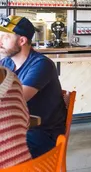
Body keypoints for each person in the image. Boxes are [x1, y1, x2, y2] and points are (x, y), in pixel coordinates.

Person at [0, 16, 66, 158]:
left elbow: (16, 100)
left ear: (22, 40)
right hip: (16, 128)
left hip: (41, 134)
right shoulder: (6, 63)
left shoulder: (41, 64)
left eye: (5, 38)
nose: (0, 42)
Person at [0, 66, 31, 168]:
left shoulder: (41, 64)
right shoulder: (10, 73)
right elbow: (26, 120)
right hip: (27, 165)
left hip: (43, 134)